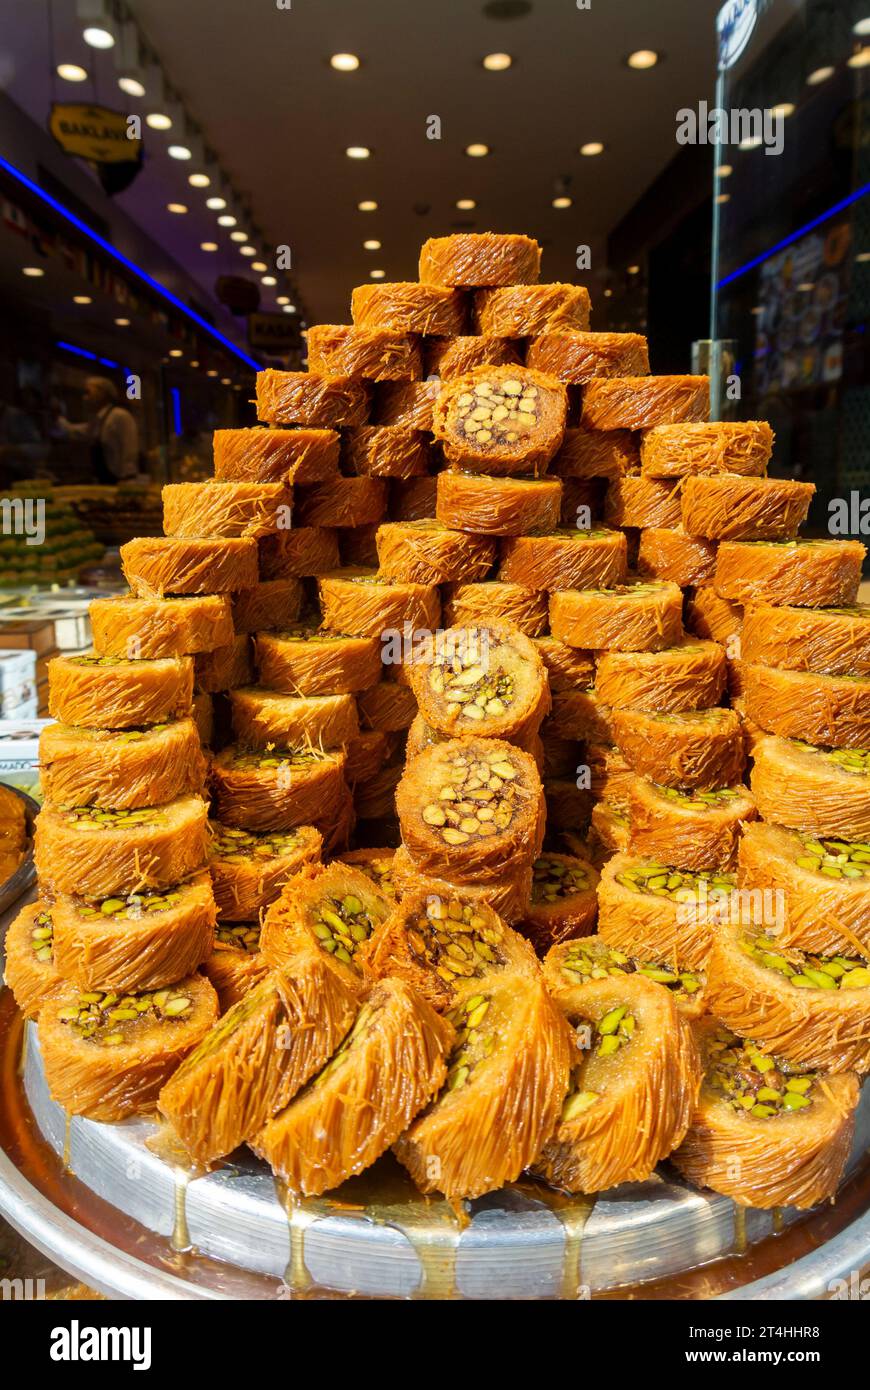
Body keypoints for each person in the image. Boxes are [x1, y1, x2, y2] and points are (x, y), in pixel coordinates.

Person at [53, 376, 139, 483]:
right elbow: (73, 431)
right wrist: (55, 416)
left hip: (120, 482)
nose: (84, 398)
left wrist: (126, 481)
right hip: (105, 482)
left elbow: (129, 452)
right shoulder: (98, 421)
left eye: (88, 393)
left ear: (103, 394)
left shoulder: (120, 416)